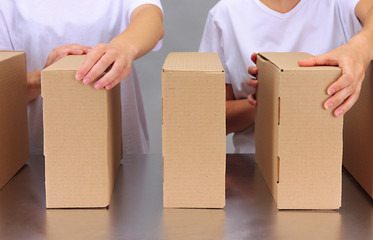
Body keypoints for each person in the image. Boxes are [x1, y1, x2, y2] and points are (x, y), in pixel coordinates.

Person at [199, 0, 373, 153]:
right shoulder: (226, 13)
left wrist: (360, 48)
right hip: (254, 169)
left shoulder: (339, 4)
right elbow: (208, 120)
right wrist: (263, 104)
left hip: (337, 169)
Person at [0, 0, 164, 155]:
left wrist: (122, 48)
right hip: (42, 154)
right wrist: (43, 79)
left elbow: (150, 16)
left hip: (121, 148)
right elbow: (4, 90)